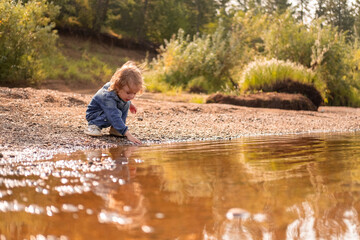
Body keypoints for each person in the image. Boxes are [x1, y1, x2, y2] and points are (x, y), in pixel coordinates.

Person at [84, 61, 143, 144]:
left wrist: (130, 104)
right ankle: (94, 126)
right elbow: (113, 114)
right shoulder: (107, 95)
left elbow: (120, 99)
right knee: (117, 112)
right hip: (95, 115)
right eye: (128, 92)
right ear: (118, 86)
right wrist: (127, 134)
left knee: (126, 103)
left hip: (106, 112)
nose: (131, 96)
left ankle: (116, 129)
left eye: (134, 93)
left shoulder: (120, 92)